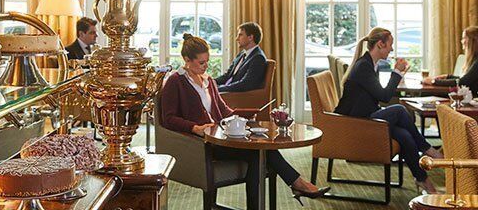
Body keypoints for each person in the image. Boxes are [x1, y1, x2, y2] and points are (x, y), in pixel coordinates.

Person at [160, 34, 329, 208]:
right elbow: (168, 119)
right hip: (203, 143)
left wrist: (246, 115)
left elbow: (224, 110)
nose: (206, 66)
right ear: (187, 60)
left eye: (207, 61)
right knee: (259, 152)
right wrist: (195, 127)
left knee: (260, 150)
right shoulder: (175, 81)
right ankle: (298, 184)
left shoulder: (208, 80)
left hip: (222, 137)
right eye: (201, 63)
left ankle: (294, 186)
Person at [334, 27, 443, 193]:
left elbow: (378, 96)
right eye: (390, 45)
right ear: (380, 44)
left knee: (405, 136)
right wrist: (397, 72)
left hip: (364, 117)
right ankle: (428, 149)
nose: (392, 49)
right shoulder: (364, 66)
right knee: (399, 110)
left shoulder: (370, 64)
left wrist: (396, 74)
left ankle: (423, 180)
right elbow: (384, 96)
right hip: (355, 124)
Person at [422, 26, 478, 95]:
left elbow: (463, 82)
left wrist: (434, 81)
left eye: (464, 38)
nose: (461, 41)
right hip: (466, 96)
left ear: (472, 41)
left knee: (425, 93)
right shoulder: (474, 59)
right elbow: (466, 78)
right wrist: (447, 76)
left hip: (471, 99)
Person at [215, 22, 267, 92]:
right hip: (229, 91)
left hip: (238, 96)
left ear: (250, 37)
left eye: (240, 35)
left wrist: (218, 89)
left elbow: (245, 84)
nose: (237, 39)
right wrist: (210, 82)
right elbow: (227, 76)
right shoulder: (241, 54)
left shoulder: (258, 58)